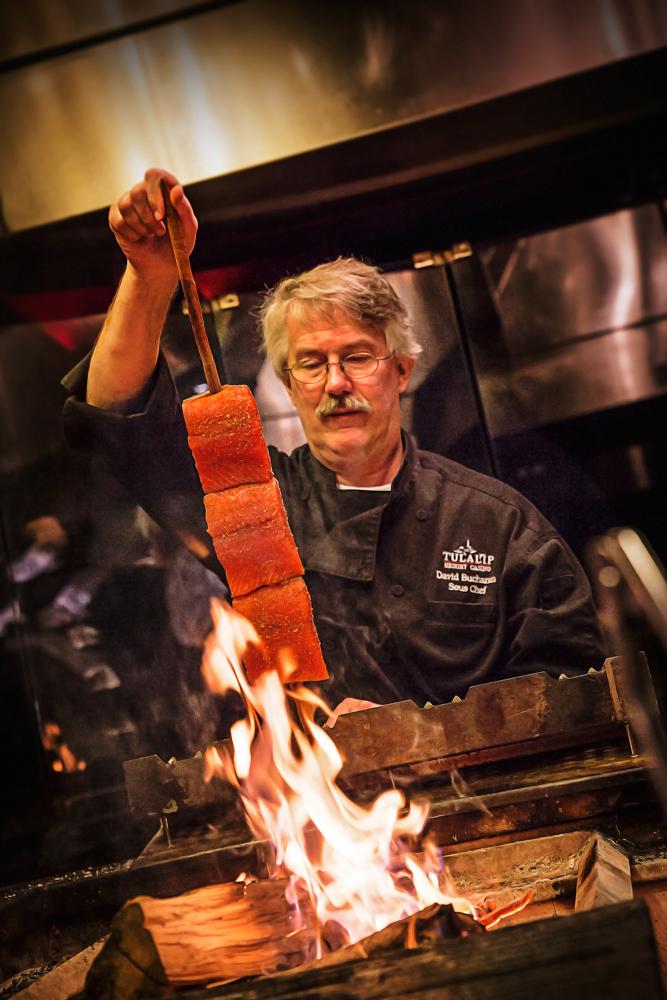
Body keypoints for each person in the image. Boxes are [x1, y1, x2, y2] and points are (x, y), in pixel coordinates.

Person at [62, 169, 605, 708]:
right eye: (311, 364)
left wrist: (409, 735)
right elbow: (120, 414)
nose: (337, 383)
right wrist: (150, 274)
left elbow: (575, 694)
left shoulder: (498, 525)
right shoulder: (255, 506)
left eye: (358, 357)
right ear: (290, 385)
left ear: (401, 371)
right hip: (311, 793)